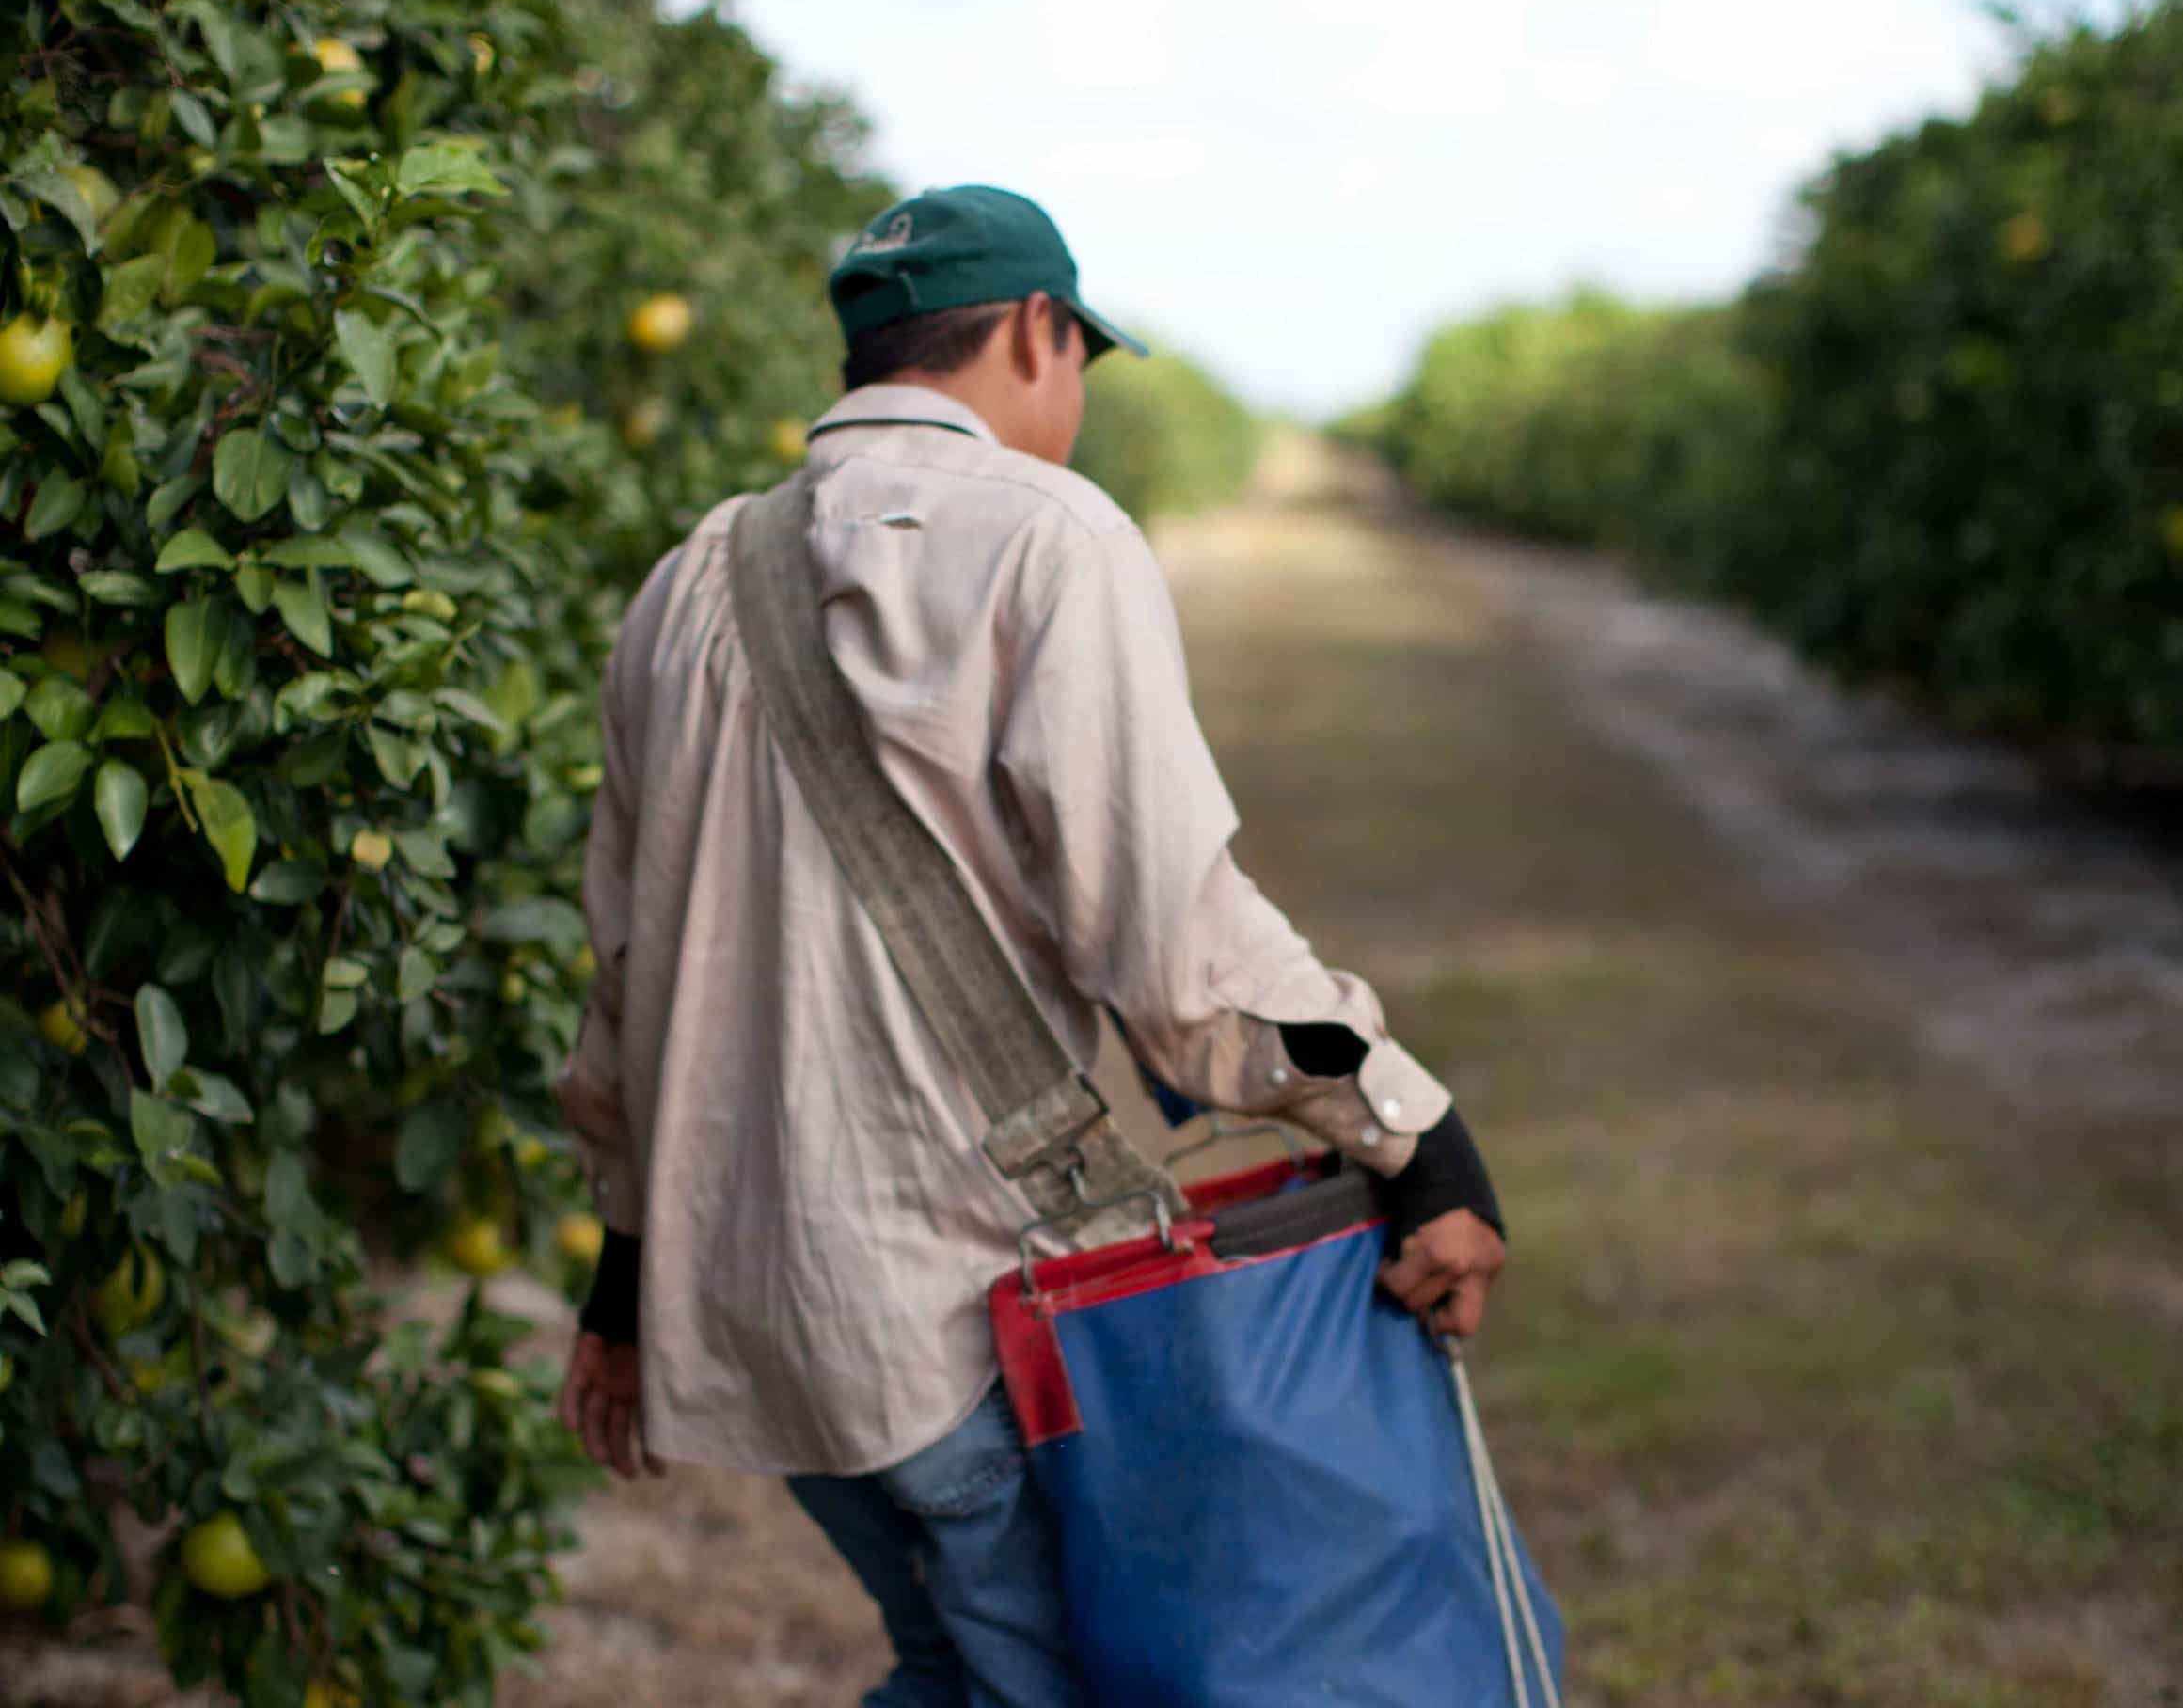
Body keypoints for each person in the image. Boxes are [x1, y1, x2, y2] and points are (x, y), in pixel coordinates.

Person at [554, 184, 1507, 1708]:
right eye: (1078, 360)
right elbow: (1185, 959)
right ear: (1036, 334)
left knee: (961, 1669)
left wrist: (624, 1280)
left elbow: (624, 978)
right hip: (944, 1313)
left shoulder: (686, 581)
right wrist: (1416, 1129)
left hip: (748, 1306)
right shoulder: (1048, 536)